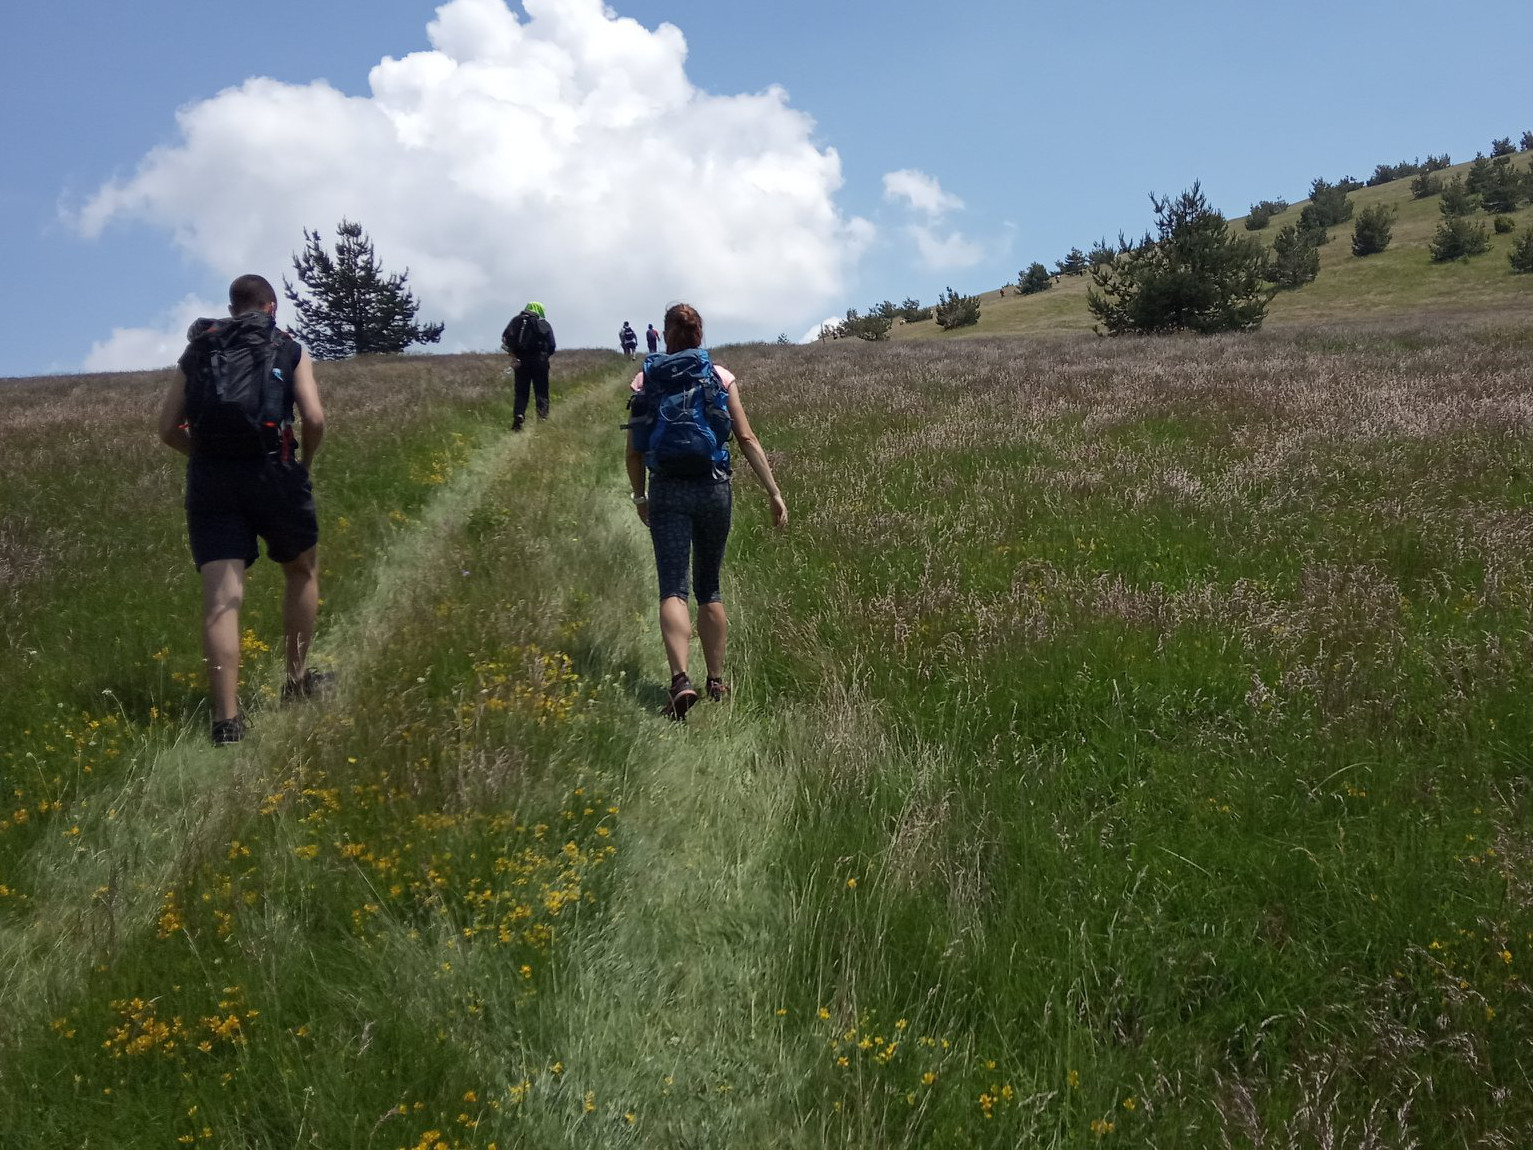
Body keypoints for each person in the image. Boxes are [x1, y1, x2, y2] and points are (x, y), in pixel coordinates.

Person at [157, 274, 329, 746]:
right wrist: (304, 464)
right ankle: (296, 682)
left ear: (232, 309)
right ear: (271, 306)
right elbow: (314, 418)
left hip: (211, 482)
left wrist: (205, 457)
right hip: (275, 472)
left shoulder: (199, 349)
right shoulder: (288, 346)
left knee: (221, 600)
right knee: (301, 571)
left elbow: (167, 429)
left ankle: (226, 722)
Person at [626, 303, 787, 720]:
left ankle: (681, 680)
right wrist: (773, 492)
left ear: (665, 336)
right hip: (714, 488)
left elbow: (635, 451)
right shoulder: (719, 377)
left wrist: (640, 497)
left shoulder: (646, 379)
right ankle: (716, 680)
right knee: (709, 587)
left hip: (668, 491)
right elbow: (746, 437)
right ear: (700, 335)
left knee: (672, 588)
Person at [501, 301, 557, 431]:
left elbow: (506, 340)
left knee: (521, 392)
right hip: (540, 361)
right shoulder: (543, 324)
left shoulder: (516, 321)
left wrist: (514, 356)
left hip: (521, 361)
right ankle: (542, 418)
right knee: (541, 391)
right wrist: (545, 356)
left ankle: (519, 415)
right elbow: (552, 345)